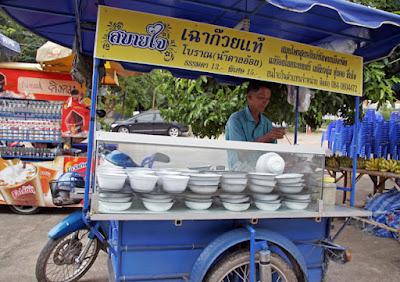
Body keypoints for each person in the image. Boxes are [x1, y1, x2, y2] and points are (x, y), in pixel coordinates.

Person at [225, 80, 286, 169]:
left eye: (268, 99)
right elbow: (241, 151)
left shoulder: (267, 124)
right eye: (261, 98)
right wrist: (267, 137)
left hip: (261, 174)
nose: (265, 102)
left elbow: (272, 154)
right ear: (249, 96)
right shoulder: (236, 120)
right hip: (239, 176)